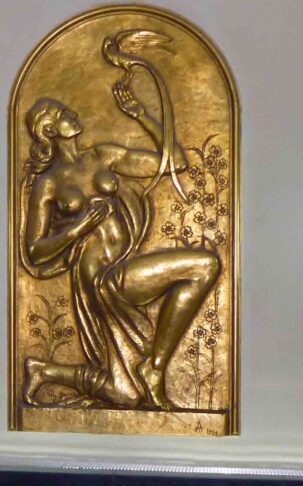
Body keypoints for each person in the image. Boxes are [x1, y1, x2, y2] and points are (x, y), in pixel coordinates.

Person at [19, 62, 219, 411]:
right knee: (203, 266)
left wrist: (142, 115)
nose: (72, 114)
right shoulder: (48, 183)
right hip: (99, 279)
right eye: (63, 114)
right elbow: (35, 251)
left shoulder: (104, 155)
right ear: (49, 129)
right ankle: (153, 368)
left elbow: (174, 162)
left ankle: (45, 370)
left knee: (125, 395)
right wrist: (79, 228)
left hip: (122, 264)